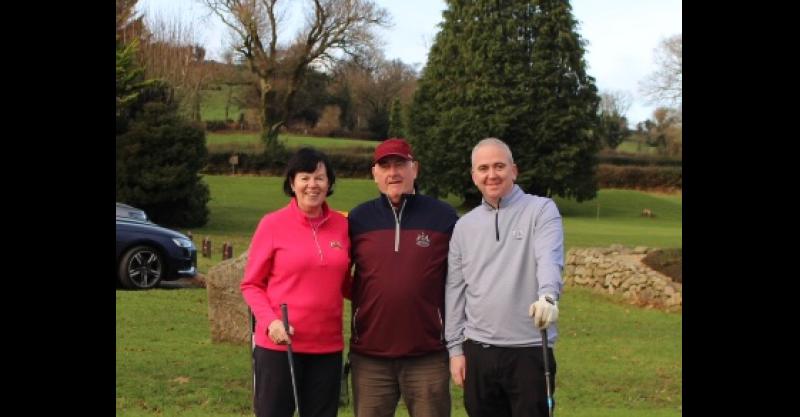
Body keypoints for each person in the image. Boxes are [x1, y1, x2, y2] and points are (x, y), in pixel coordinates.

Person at [445, 138, 563, 417]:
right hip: (478, 352)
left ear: (514, 170)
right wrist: (454, 349)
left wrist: (548, 295)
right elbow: (455, 289)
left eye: (499, 166)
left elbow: (549, 258)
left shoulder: (542, 210)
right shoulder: (464, 226)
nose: (492, 174)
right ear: (474, 176)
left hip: (529, 350)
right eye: (483, 168)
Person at [347, 138, 458, 417]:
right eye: (384, 166)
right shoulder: (358, 219)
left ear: (415, 169)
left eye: (400, 164)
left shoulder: (444, 217)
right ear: (374, 173)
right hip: (370, 356)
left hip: (428, 354)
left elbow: (464, 277)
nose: (393, 172)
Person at [241, 147, 351, 417]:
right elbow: (251, 284)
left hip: (328, 347)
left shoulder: (343, 225)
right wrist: (271, 322)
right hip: (280, 346)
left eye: (320, 178)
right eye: (305, 177)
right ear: (292, 182)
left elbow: (347, 283)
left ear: (329, 183)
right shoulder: (272, 224)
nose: (312, 185)